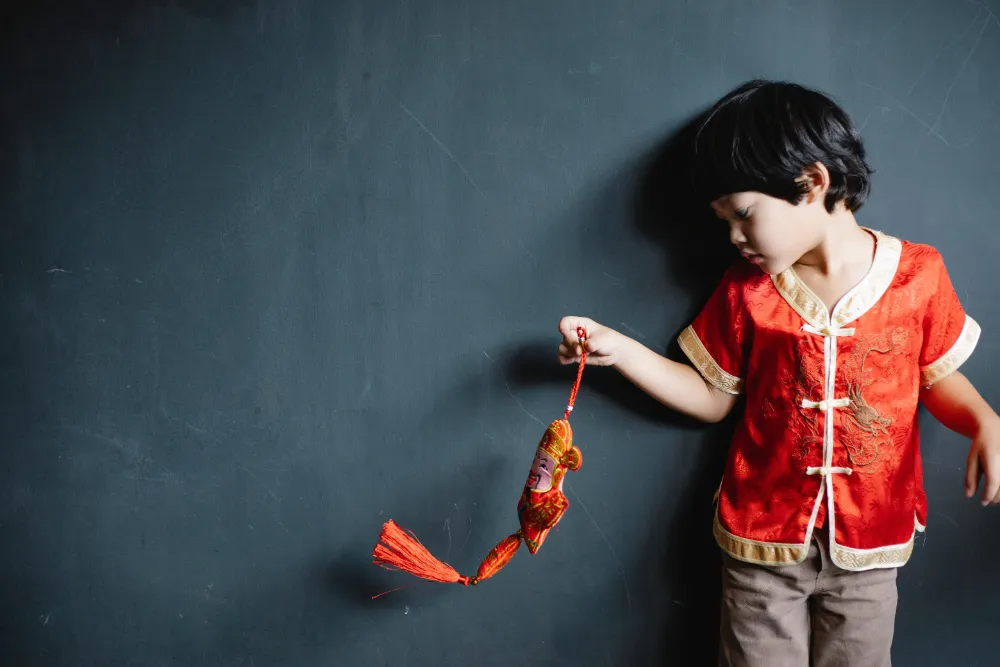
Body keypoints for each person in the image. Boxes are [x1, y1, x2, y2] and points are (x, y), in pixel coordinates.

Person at [557, 79, 1000, 667]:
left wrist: (984, 421)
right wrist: (620, 350)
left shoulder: (917, 274)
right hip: (760, 545)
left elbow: (936, 377)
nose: (734, 237)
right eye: (723, 221)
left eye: (742, 213)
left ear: (812, 182)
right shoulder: (747, 290)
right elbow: (713, 397)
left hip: (871, 544)